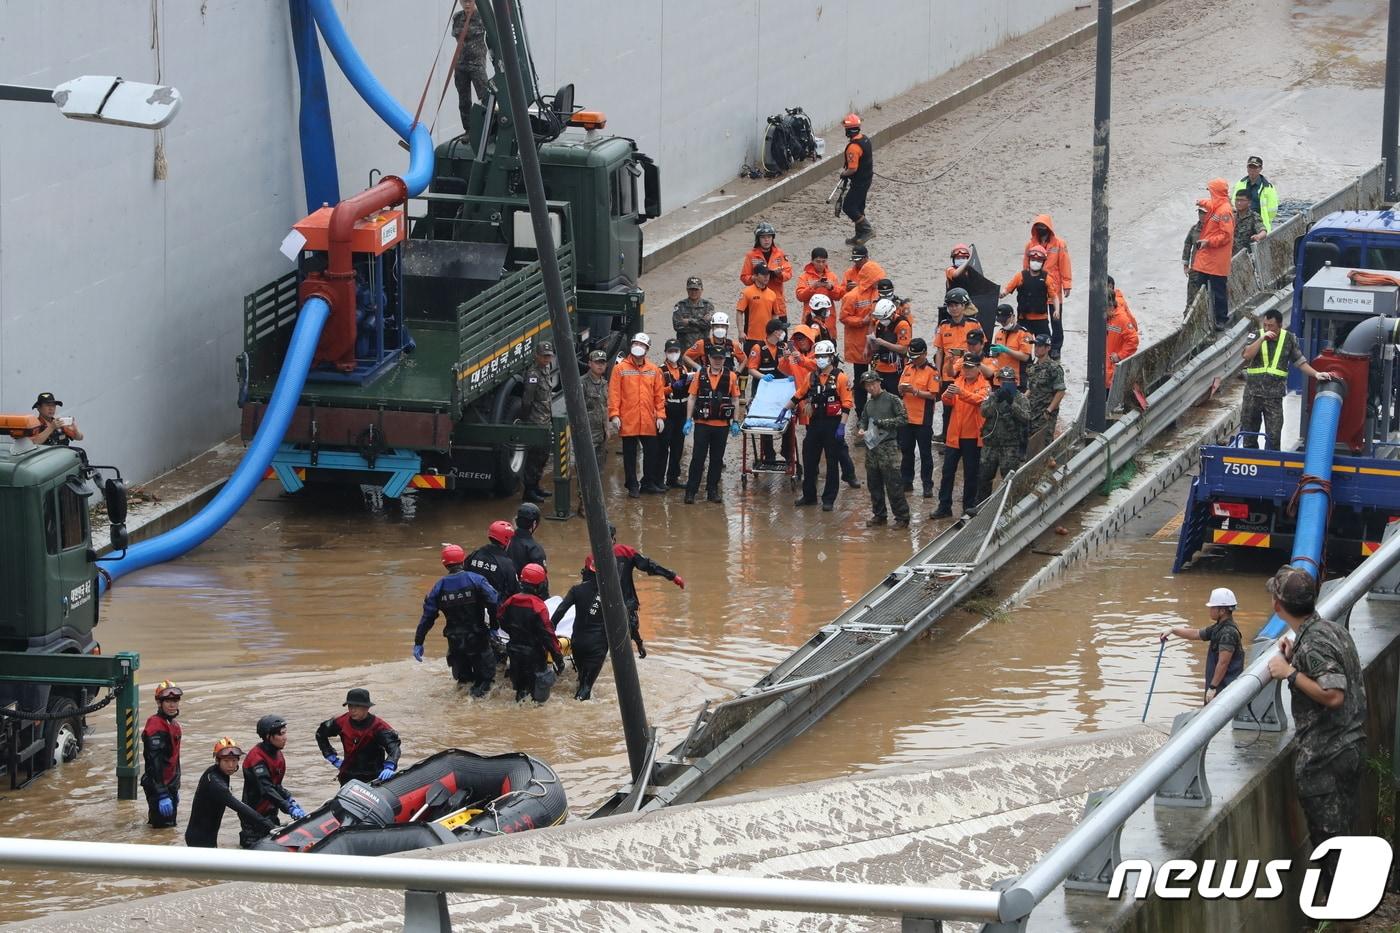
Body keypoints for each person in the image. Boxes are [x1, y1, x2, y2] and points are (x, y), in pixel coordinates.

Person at [1265, 566, 1366, 904]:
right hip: (1349, 749)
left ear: (1278, 606)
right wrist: (1298, 659)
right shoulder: (1330, 630)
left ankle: (1344, 918)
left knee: (1330, 844)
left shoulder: (1313, 645)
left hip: (1326, 760)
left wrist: (1289, 672)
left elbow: (1334, 695)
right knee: (1341, 836)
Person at [412, 544, 501, 697]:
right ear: (462, 560)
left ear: (444, 563)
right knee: (485, 681)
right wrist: (494, 625)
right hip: (478, 639)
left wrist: (419, 642)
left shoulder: (438, 588)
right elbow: (493, 601)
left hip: (455, 643)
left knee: (463, 683)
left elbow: (427, 617)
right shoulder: (477, 580)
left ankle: (460, 715)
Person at [1241, 308, 1335, 449]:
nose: (1267, 328)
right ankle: (1249, 463)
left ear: (1280, 325)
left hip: (1274, 397)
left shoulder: (1289, 338)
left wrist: (1316, 374)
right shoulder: (1256, 336)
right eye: (1265, 325)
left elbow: (1300, 362)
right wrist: (1262, 339)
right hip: (1252, 396)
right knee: (1249, 435)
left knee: (1274, 436)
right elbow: (1246, 355)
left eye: (1271, 326)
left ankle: (1271, 466)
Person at [585, 525, 684, 657]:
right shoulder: (626, 551)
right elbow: (649, 565)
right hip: (626, 604)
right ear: (613, 538)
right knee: (627, 631)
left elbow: (585, 587)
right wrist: (672, 576)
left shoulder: (591, 558)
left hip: (602, 607)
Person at [786, 340, 854, 512]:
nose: (821, 359)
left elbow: (846, 404)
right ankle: (809, 496)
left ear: (831, 357)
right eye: (818, 356)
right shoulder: (811, 377)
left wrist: (842, 426)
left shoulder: (841, 377)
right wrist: (784, 410)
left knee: (832, 462)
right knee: (809, 459)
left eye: (824, 356)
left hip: (833, 425)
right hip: (815, 423)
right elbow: (799, 395)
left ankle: (829, 498)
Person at [1159, 588, 1245, 704]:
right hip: (1220, 687)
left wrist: (1213, 687)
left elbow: (1223, 663)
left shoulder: (1227, 633)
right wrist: (1173, 630)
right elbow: (1196, 634)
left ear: (1222, 611)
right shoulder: (1219, 628)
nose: (1210, 610)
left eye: (1213, 607)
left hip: (1224, 689)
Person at [608, 333, 668, 497]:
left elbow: (659, 396)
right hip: (628, 419)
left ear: (647, 349)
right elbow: (614, 393)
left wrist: (661, 416)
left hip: (648, 420)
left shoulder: (653, 370)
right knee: (629, 455)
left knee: (652, 452)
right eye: (636, 344)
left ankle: (648, 482)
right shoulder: (620, 369)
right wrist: (614, 414)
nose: (638, 347)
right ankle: (632, 485)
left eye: (642, 345)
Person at [185, 739, 273, 849]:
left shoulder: (219, 773)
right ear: (217, 760)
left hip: (209, 834)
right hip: (199, 839)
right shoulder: (215, 781)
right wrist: (268, 824)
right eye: (226, 761)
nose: (231, 765)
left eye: (234, 760)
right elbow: (238, 806)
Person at [932, 354, 990, 519]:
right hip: (954, 435)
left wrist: (961, 392)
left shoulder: (984, 385)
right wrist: (947, 395)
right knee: (947, 472)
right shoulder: (958, 381)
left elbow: (980, 400)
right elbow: (947, 401)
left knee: (971, 473)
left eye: (971, 367)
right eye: (965, 367)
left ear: (978, 368)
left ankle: (968, 506)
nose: (967, 370)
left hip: (972, 436)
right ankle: (944, 507)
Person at [684, 344, 741, 504]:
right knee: (697, 458)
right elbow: (692, 397)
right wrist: (688, 419)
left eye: (720, 358)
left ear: (724, 359)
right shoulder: (699, 375)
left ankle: (712, 490)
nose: (717, 361)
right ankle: (691, 491)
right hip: (702, 424)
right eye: (715, 358)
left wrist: (735, 421)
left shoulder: (731, 376)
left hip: (722, 425)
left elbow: (736, 399)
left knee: (717, 459)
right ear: (709, 358)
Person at [499, 563, 565, 703]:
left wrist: (515, 634)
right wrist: (558, 658)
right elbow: (548, 635)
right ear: (540, 585)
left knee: (520, 689)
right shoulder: (538, 606)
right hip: (534, 655)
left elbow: (501, 620)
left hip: (515, 652)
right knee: (537, 696)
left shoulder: (511, 601)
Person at [239, 715, 306, 847]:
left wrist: (289, 798)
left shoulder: (278, 754)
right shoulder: (256, 758)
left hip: (270, 812)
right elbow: (266, 789)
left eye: (285, 733)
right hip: (253, 815)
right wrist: (288, 808)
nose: (285, 737)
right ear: (269, 736)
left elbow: (276, 785)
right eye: (281, 734)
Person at [856, 371, 909, 528]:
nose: (871, 388)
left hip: (888, 446)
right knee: (874, 483)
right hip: (872, 446)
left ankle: (902, 517)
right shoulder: (869, 404)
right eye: (868, 385)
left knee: (893, 483)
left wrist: (883, 422)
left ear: (879, 383)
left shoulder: (892, 399)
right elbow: (862, 421)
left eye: (873, 384)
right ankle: (879, 514)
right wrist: (861, 429)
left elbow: (903, 419)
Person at [317, 689, 401, 786]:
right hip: (348, 776)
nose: (352, 710)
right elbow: (320, 734)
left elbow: (394, 747)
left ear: (366, 708)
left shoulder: (379, 727)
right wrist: (331, 757)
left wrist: (390, 766)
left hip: (374, 777)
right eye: (350, 706)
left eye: (357, 706)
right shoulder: (341, 722)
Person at [838, 245, 885, 416]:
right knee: (860, 380)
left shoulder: (878, 293)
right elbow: (843, 318)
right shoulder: (851, 296)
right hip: (858, 343)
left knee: (878, 378)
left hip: (874, 342)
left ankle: (877, 410)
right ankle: (860, 412)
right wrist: (861, 321)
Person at [933, 289, 984, 438]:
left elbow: (981, 347)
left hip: (967, 372)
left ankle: (968, 435)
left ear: (964, 306)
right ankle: (946, 435)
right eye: (950, 306)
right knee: (947, 406)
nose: (953, 308)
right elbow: (939, 351)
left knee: (967, 404)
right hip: (948, 373)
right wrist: (938, 372)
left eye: (956, 305)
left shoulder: (974, 324)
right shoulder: (943, 326)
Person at [1022, 216, 1072, 359]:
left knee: (1056, 320)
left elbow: (1065, 264)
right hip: (1036, 289)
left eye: (1043, 226)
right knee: (1039, 319)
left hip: (1054, 287)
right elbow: (1026, 265)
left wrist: (1067, 284)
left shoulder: (1059, 244)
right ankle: (1040, 345)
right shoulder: (1030, 245)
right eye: (1038, 226)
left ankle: (1056, 347)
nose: (1041, 229)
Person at [553, 566, 606, 700]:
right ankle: (577, 711)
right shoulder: (611, 593)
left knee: (582, 679)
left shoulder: (576, 590)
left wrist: (549, 630)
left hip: (577, 643)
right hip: (597, 646)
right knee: (586, 686)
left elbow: (560, 611)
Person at [897, 338, 940, 499]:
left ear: (924, 353)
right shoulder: (908, 367)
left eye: (916, 356)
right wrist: (902, 389)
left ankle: (927, 485)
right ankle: (906, 482)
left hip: (923, 419)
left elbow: (932, 395)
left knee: (925, 454)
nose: (913, 359)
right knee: (906, 451)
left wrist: (915, 391)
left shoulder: (932, 371)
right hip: (906, 418)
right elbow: (900, 387)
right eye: (912, 356)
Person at [978, 368, 1032, 492]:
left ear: (1015, 382)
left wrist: (1012, 403)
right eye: (1003, 381)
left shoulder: (1021, 399)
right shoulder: (993, 396)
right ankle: (981, 507)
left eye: (1009, 381)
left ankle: (1008, 508)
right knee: (983, 479)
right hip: (990, 445)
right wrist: (996, 398)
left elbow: (1026, 417)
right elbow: (984, 412)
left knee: (1009, 481)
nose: (1005, 384)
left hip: (1010, 446)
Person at [1193, 178, 1236, 330]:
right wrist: (1200, 201)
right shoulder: (1218, 205)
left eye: (1211, 192)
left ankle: (1221, 320)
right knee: (1202, 290)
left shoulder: (1224, 211)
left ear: (1216, 193)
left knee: (1218, 291)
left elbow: (1226, 236)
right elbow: (1210, 204)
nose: (1210, 195)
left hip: (1216, 259)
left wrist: (1208, 242)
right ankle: (1204, 317)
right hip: (1209, 259)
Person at [141, 680, 184, 828]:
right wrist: (162, 793)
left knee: (164, 829)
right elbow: (154, 762)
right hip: (159, 787)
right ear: (160, 703)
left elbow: (174, 760)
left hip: (169, 786)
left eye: (175, 701)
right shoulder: (155, 725)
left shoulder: (172, 724)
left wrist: (175, 787)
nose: (172, 705)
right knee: (163, 831)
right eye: (168, 701)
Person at [517, 342, 555, 504]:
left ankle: (536, 485)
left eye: (549, 356)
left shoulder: (546, 369)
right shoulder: (533, 374)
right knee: (534, 458)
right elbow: (527, 400)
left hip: (545, 420)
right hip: (535, 422)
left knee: (543, 456)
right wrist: (527, 420)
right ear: (536, 356)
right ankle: (529, 490)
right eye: (544, 356)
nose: (547, 359)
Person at [1000, 247, 1057, 347]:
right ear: (1029, 260)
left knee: (1045, 347)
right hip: (1024, 320)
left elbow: (1054, 297)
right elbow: (1007, 290)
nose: (1035, 262)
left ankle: (1045, 362)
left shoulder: (1047, 278)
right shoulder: (1020, 276)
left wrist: (1057, 310)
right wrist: (1001, 294)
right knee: (1022, 346)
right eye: (1033, 260)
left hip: (1041, 320)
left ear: (1043, 262)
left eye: (1039, 260)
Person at [739, 222, 793, 319]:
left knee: (780, 333)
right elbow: (744, 277)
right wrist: (755, 278)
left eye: (769, 237)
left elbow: (788, 273)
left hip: (777, 301)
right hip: (757, 302)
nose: (766, 240)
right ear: (758, 239)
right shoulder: (751, 256)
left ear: (772, 238)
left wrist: (779, 274)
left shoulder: (780, 254)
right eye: (763, 237)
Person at [658, 339, 692, 488]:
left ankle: (673, 478)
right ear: (665, 353)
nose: (673, 354)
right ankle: (659, 479)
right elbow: (657, 392)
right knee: (663, 447)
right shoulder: (660, 370)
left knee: (678, 447)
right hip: (667, 412)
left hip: (681, 411)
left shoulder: (683, 369)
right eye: (671, 351)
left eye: (676, 351)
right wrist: (671, 387)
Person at [451, 5, 488, 133]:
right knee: (464, 101)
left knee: (486, 98)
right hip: (460, 64)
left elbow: (493, 36)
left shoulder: (483, 16)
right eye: (464, 1)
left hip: (477, 65)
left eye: (470, 1)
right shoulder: (457, 17)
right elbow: (457, 36)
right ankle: (468, 130)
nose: (467, 4)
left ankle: (488, 129)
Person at [839, 113, 874, 245]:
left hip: (859, 182)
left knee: (849, 206)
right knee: (859, 207)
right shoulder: (865, 140)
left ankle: (866, 230)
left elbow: (852, 169)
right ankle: (859, 236)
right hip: (867, 178)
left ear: (848, 130)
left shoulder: (853, 148)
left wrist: (844, 174)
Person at [1025, 334, 1066, 445]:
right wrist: (1022, 399)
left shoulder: (1054, 368)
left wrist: (1049, 410)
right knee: (1031, 442)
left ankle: (1048, 460)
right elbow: (1031, 388)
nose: (1036, 348)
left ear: (1047, 348)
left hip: (1045, 413)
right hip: (1032, 411)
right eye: (1035, 346)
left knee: (1044, 443)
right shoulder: (1033, 368)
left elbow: (1060, 391)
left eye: (1039, 346)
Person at [467, 521, 520, 603]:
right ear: (507, 540)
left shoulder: (475, 554)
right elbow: (514, 590)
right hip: (495, 608)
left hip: (474, 606)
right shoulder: (506, 563)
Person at [736, 264, 785, 352]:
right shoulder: (746, 292)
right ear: (755, 276)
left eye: (768, 274)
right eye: (763, 274)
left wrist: (775, 333)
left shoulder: (772, 294)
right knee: (750, 363)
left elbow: (775, 315)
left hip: (768, 338)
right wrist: (740, 332)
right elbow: (739, 312)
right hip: (750, 337)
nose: (767, 277)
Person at [868, 298, 911, 394]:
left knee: (896, 398)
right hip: (879, 367)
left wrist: (884, 343)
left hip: (895, 369)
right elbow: (876, 344)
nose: (882, 321)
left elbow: (903, 349)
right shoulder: (880, 324)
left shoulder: (902, 324)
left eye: (884, 318)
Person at [1104, 276, 1140, 390]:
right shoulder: (1105, 318)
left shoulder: (1121, 319)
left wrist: (1120, 356)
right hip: (1103, 372)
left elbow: (1133, 340)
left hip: (1113, 375)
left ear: (1109, 305)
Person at [684, 312, 748, 373]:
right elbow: (686, 356)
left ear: (727, 328)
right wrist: (698, 367)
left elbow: (744, 360)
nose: (720, 329)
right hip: (707, 378)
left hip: (727, 379)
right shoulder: (702, 344)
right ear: (712, 327)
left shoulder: (733, 345)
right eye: (717, 326)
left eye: (723, 326)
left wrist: (737, 373)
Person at [987, 305, 1033, 390]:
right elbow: (995, 358)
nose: (1003, 323)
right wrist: (994, 353)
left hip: (1015, 380)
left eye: (1005, 320)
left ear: (1012, 317)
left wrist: (1006, 350)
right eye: (1001, 321)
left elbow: (1025, 356)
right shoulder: (999, 333)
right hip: (999, 380)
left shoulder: (1024, 334)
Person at [1232, 155, 1279, 232]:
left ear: (1260, 169)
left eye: (1255, 167)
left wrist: (1264, 221)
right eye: (1250, 167)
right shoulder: (1240, 184)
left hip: (1260, 226)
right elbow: (1234, 202)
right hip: (1241, 224)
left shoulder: (1268, 188)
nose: (1252, 170)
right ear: (1247, 168)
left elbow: (1272, 210)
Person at [672, 275, 714, 352]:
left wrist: (689, 321)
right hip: (684, 349)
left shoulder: (708, 306)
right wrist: (700, 325)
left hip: (702, 348)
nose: (693, 292)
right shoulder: (680, 305)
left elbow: (708, 325)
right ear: (687, 290)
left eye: (696, 289)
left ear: (702, 290)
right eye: (691, 289)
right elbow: (677, 326)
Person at [582, 350, 610, 463]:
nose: (600, 365)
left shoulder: (604, 383)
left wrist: (607, 429)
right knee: (586, 470)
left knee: (599, 470)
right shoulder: (582, 383)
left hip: (601, 436)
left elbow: (605, 407)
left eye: (602, 363)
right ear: (590, 364)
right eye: (597, 362)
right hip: (588, 436)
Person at [1182, 203, 1208, 312]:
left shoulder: (1214, 229)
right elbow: (1187, 244)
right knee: (1191, 301)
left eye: (1204, 213)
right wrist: (1185, 264)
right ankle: (1187, 322)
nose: (1201, 215)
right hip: (1195, 270)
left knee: (1208, 298)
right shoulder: (1194, 229)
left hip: (1210, 271)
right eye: (1200, 213)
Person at [507, 502, 548, 571]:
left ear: (516, 520)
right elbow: (540, 578)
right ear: (534, 524)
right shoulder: (535, 549)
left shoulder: (504, 540)